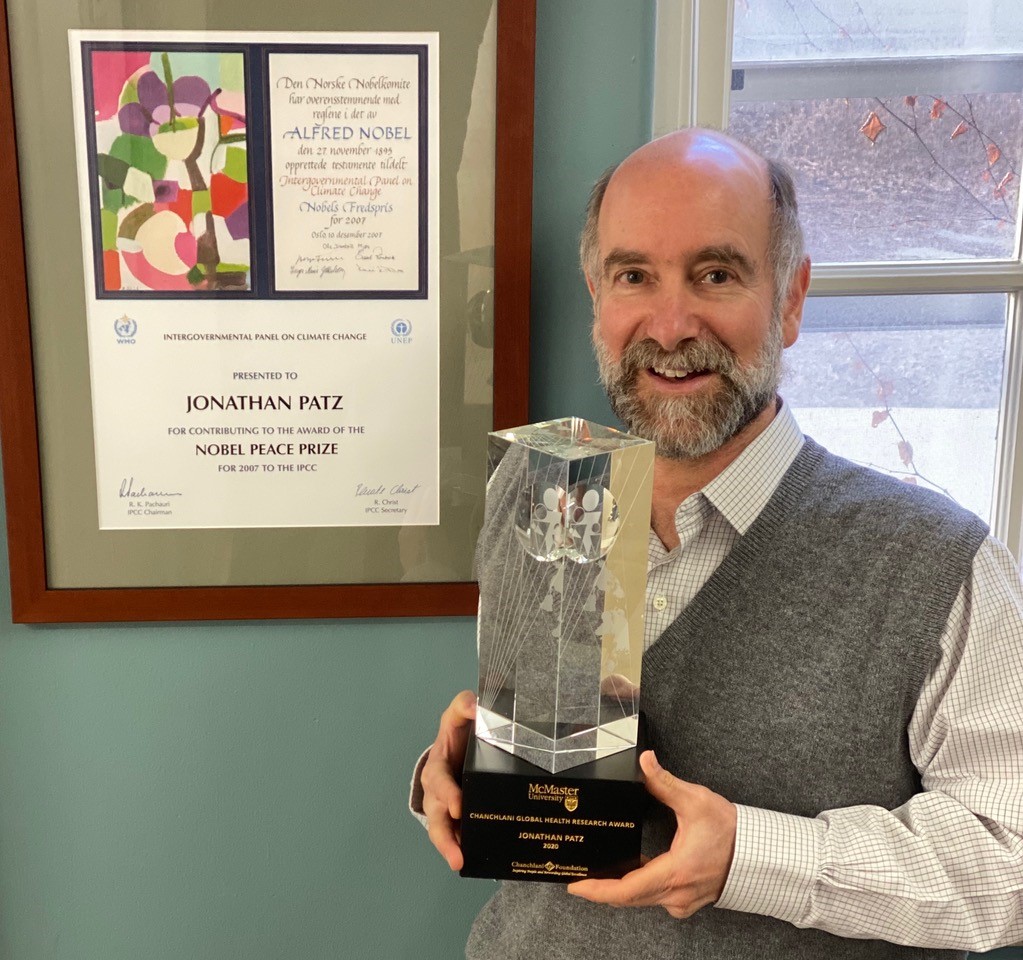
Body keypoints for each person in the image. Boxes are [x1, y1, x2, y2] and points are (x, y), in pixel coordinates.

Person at [412, 129, 1023, 959]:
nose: (669, 325)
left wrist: (750, 856)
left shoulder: (938, 563)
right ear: (597, 294)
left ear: (791, 299)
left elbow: (1008, 861)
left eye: (716, 274)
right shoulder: (531, 494)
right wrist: (456, 774)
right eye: (634, 276)